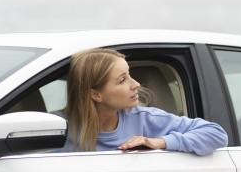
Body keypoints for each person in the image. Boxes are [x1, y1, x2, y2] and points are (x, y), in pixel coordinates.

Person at [60, 48, 227, 155]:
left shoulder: (145, 118)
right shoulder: (57, 128)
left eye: (130, 75)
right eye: (122, 80)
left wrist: (160, 142)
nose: (136, 84)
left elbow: (216, 134)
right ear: (96, 95)